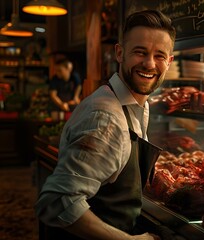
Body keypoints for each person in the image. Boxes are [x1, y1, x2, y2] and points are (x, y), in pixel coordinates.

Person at [35, 10, 176, 240]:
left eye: (159, 55)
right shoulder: (106, 117)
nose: (149, 63)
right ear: (120, 53)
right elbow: (56, 202)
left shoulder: (134, 103)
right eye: (140, 52)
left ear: (169, 62)